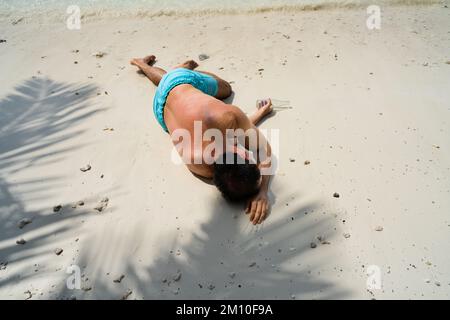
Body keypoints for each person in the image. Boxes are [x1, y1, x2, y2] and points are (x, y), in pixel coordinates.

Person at [130, 55, 275, 225]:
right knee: (226, 89)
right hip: (160, 111)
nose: (247, 151)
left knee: (173, 81)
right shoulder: (200, 162)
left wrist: (262, 190)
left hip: (177, 90)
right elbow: (262, 150)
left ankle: (161, 67)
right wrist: (263, 190)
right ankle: (162, 66)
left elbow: (242, 136)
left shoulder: (226, 120)